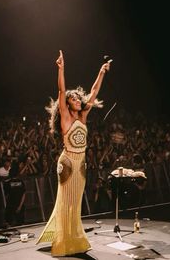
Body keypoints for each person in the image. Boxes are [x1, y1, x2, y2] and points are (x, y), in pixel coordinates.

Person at [36, 50, 111, 256]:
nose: (78, 99)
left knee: (76, 202)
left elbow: (94, 91)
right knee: (66, 200)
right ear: (68, 103)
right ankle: (63, 241)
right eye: (75, 98)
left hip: (81, 163)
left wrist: (101, 71)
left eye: (79, 97)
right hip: (68, 161)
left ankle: (73, 239)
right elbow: (61, 91)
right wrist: (61, 69)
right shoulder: (66, 118)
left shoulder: (83, 115)